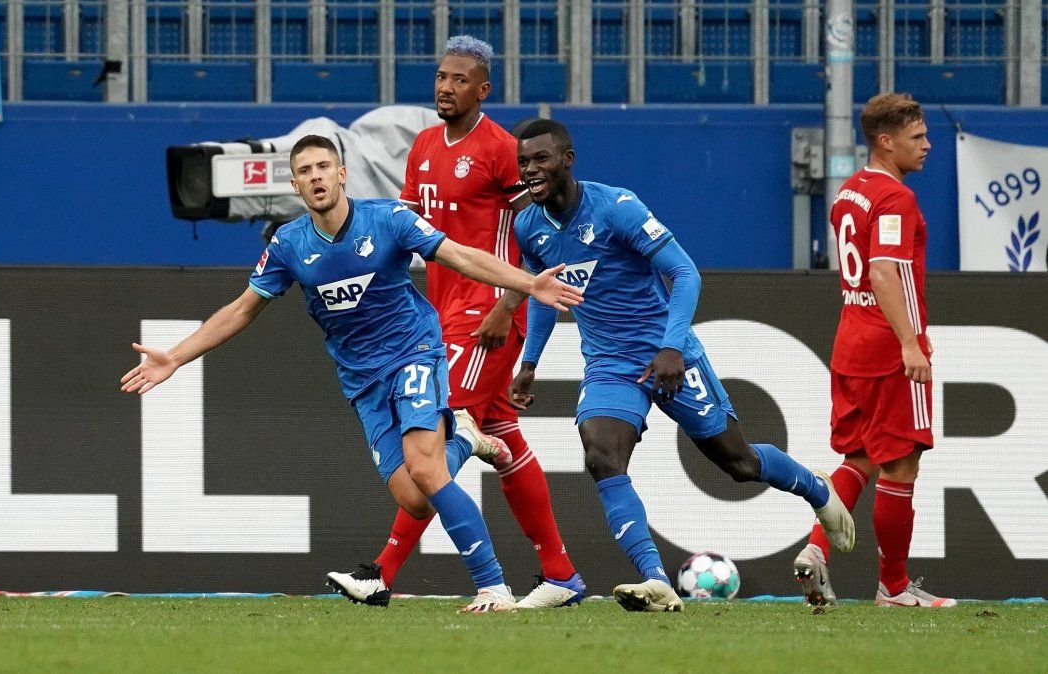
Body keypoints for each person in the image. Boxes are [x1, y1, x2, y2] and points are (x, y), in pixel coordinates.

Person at [120, 134, 583, 614]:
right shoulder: (289, 244)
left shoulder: (389, 219)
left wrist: (529, 284)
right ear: (295, 185)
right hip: (362, 380)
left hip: (414, 353)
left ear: (342, 174)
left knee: (426, 468)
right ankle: (465, 437)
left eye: (324, 166)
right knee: (415, 498)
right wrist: (175, 357)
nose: (316, 176)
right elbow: (241, 310)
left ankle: (492, 588)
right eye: (305, 171)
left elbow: (462, 255)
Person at [508, 119, 856, 612]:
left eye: (540, 159)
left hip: (668, 355)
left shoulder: (616, 207)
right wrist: (530, 361)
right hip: (609, 365)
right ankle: (656, 581)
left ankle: (815, 488)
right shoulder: (528, 226)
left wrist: (671, 346)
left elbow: (685, 272)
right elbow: (546, 294)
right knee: (602, 456)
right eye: (523, 162)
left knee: (738, 463)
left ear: (567, 159)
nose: (530, 170)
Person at [327, 35, 585, 610]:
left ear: (482, 89)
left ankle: (382, 571)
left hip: (488, 312)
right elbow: (404, 228)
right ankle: (561, 574)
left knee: (440, 439)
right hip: (440, 311)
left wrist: (507, 304)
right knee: (503, 436)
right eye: (442, 77)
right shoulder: (423, 144)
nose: (446, 87)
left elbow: (534, 233)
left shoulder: (501, 149)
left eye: (459, 80)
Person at [792, 94, 956, 608]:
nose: (927, 145)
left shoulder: (850, 192)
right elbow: (884, 271)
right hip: (887, 348)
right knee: (901, 466)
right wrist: (910, 341)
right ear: (885, 141)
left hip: (851, 341)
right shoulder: (894, 198)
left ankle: (816, 550)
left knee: (859, 456)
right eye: (916, 137)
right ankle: (895, 587)